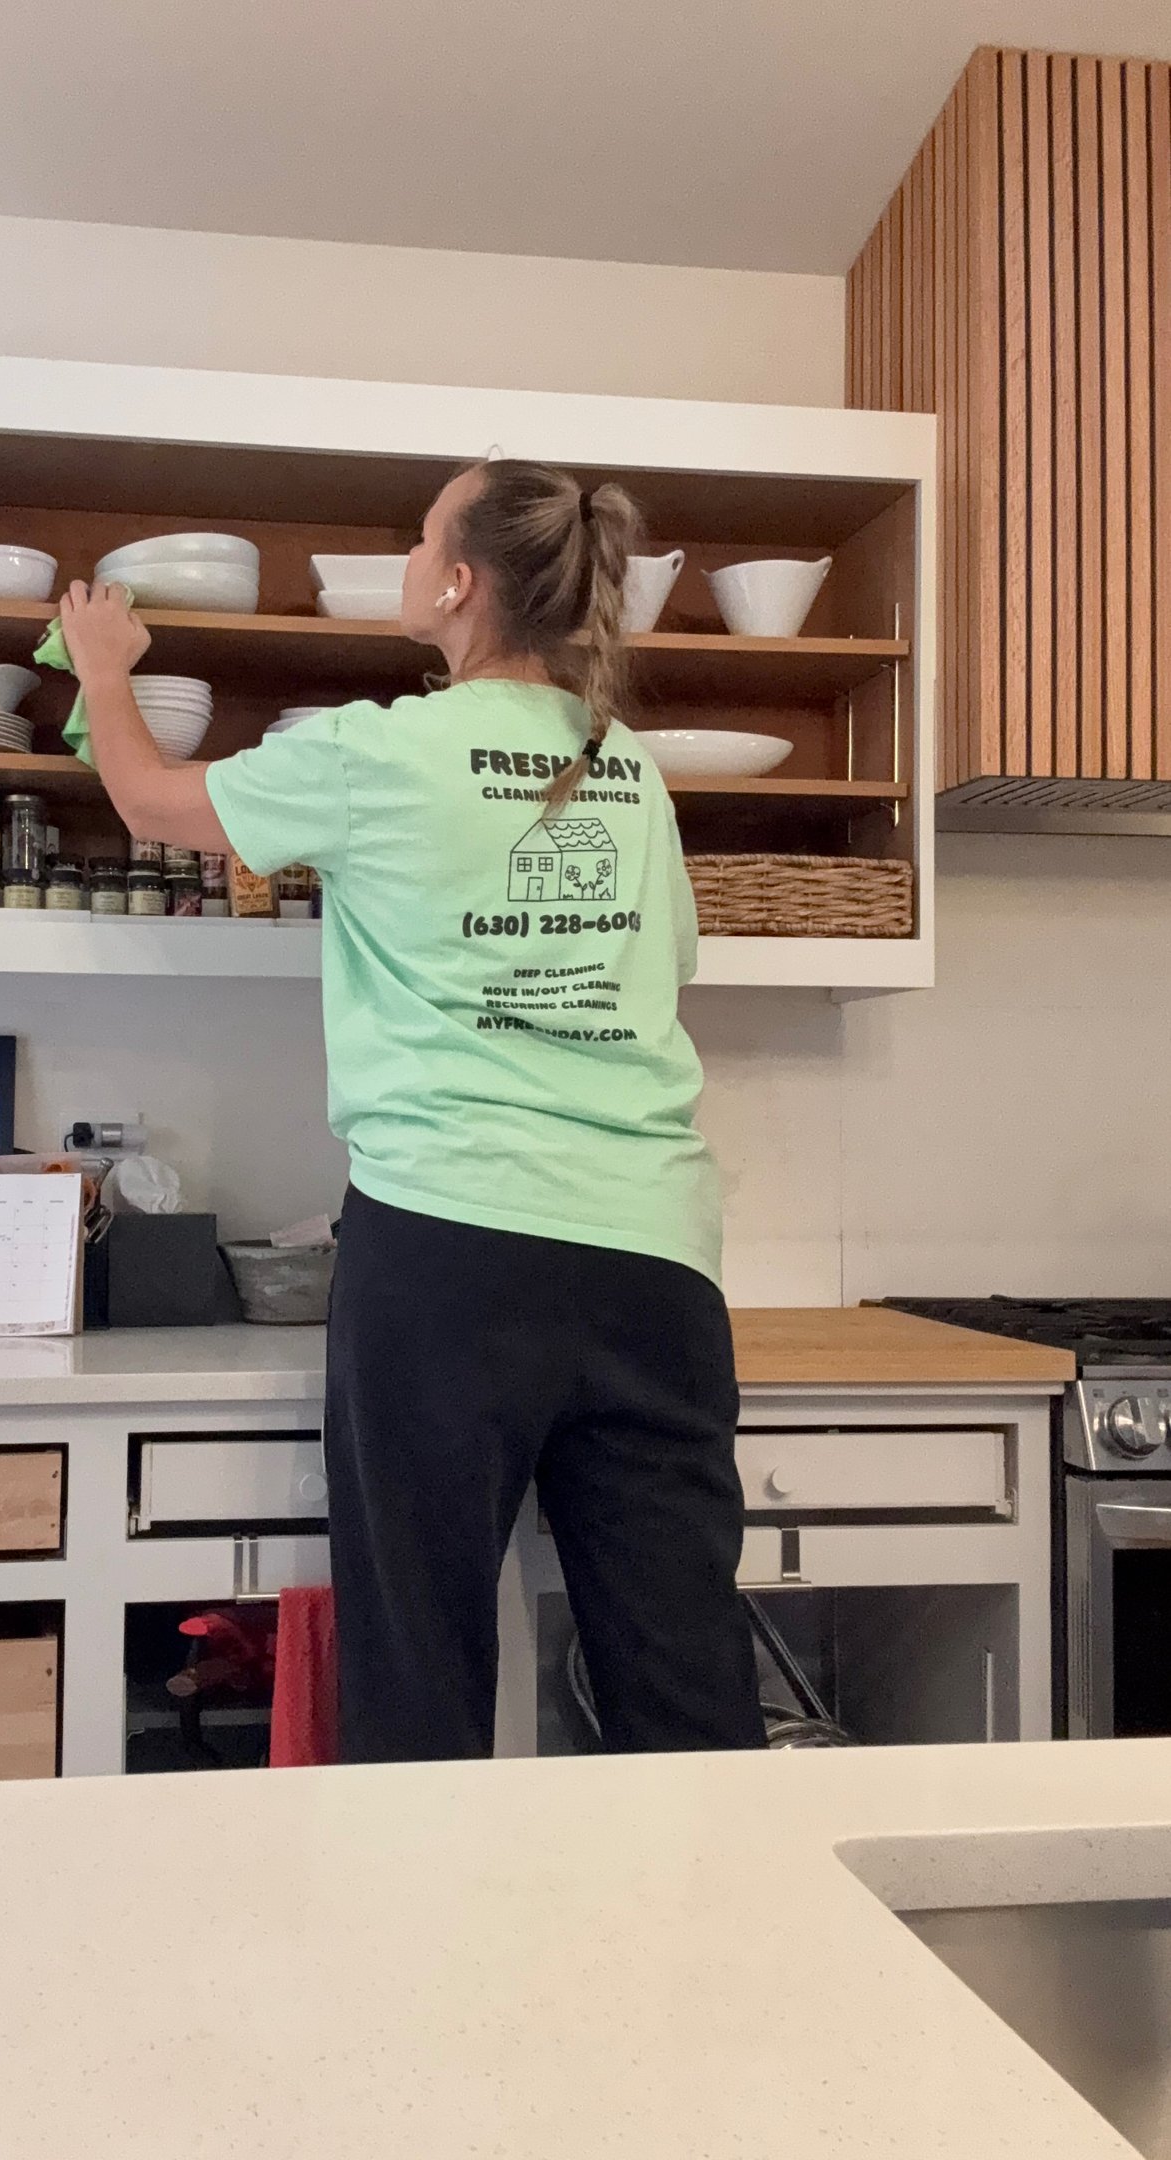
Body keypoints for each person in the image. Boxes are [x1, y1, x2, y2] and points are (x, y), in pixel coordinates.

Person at [57, 459, 765, 1763]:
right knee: (682, 1677)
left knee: (421, 1659)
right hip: (656, 1264)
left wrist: (103, 662)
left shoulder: (374, 752)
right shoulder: (633, 775)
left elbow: (151, 802)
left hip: (453, 1250)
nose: (407, 559)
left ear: (456, 582)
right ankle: (714, 1959)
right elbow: (659, 981)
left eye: (421, 537)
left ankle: (423, 1960)